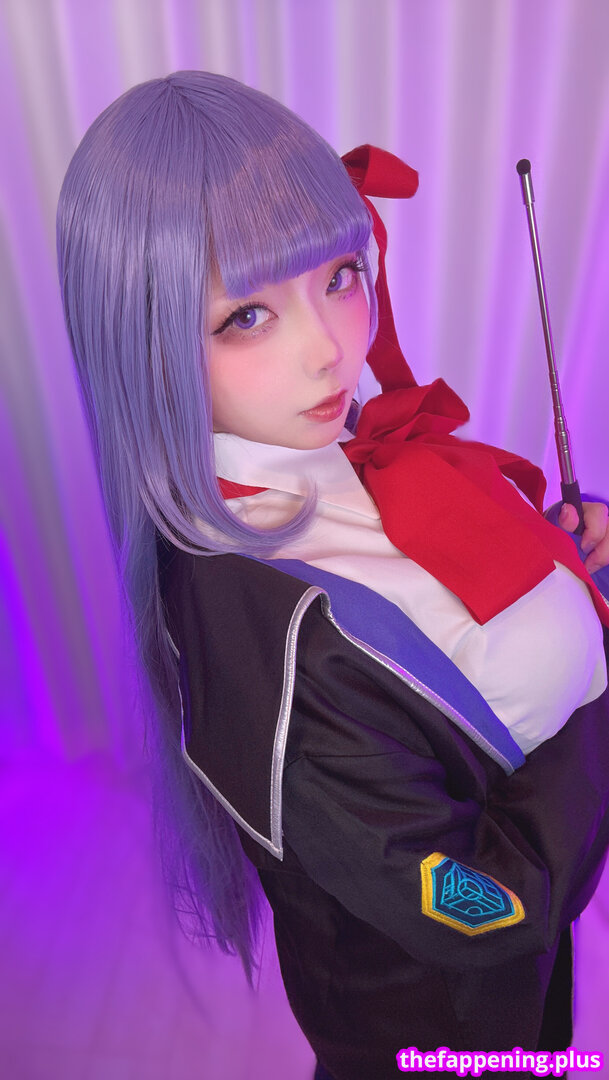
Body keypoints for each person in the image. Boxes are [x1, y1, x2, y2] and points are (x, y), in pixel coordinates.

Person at [56, 71, 609, 1080]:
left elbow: (436, 614)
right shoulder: (274, 648)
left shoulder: (338, 451)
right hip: (435, 1036)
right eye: (246, 316)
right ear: (147, 343)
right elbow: (486, 906)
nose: (328, 351)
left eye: (340, 275)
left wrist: (553, 558)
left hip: (522, 998)